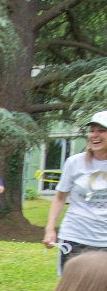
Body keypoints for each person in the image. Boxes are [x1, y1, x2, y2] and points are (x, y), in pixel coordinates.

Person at [43, 111, 107, 274]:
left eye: (102, 130)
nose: (95, 135)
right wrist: (50, 229)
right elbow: (60, 197)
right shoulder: (74, 162)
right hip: (76, 237)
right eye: (92, 130)